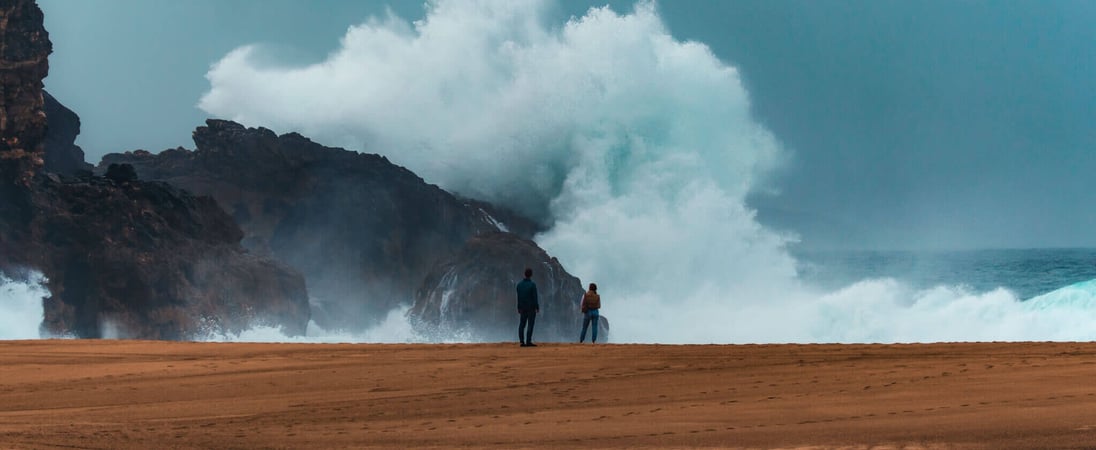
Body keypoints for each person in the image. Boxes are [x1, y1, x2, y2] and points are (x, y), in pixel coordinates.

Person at [516, 267, 539, 347]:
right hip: (531, 308)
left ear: (524, 274)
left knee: (522, 324)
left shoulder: (519, 285)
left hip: (522, 307)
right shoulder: (532, 285)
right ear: (531, 275)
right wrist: (537, 307)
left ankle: (522, 341)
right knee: (530, 324)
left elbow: (518, 297)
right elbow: (535, 297)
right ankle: (528, 341)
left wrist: (518, 307)